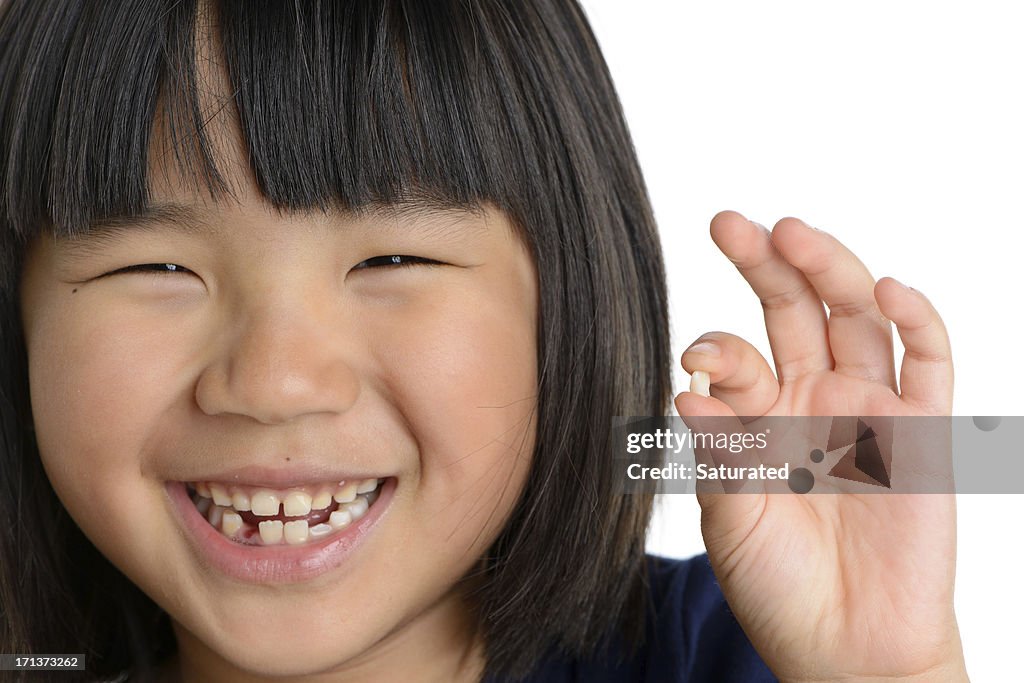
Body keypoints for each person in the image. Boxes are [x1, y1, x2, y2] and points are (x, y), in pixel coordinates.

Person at [0, 1, 969, 681]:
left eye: (390, 258)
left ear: (569, 302)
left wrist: (886, 671)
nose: (275, 381)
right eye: (155, 269)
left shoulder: (734, 652)